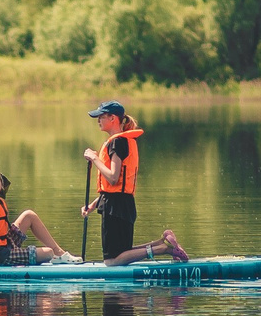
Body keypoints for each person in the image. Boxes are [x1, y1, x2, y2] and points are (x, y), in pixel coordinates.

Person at [80, 100, 190, 265]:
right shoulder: (120, 140)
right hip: (120, 204)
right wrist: (94, 205)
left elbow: (113, 177)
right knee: (121, 253)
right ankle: (163, 242)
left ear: (113, 119)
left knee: (112, 261)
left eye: (102, 116)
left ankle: (164, 249)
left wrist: (95, 158)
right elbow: (114, 186)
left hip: (116, 207)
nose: (98, 120)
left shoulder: (118, 142)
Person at [0, 169, 72, 265]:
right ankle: (52, 254)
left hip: (4, 244)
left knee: (28, 215)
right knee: (48, 253)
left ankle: (60, 254)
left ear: (1, 185)